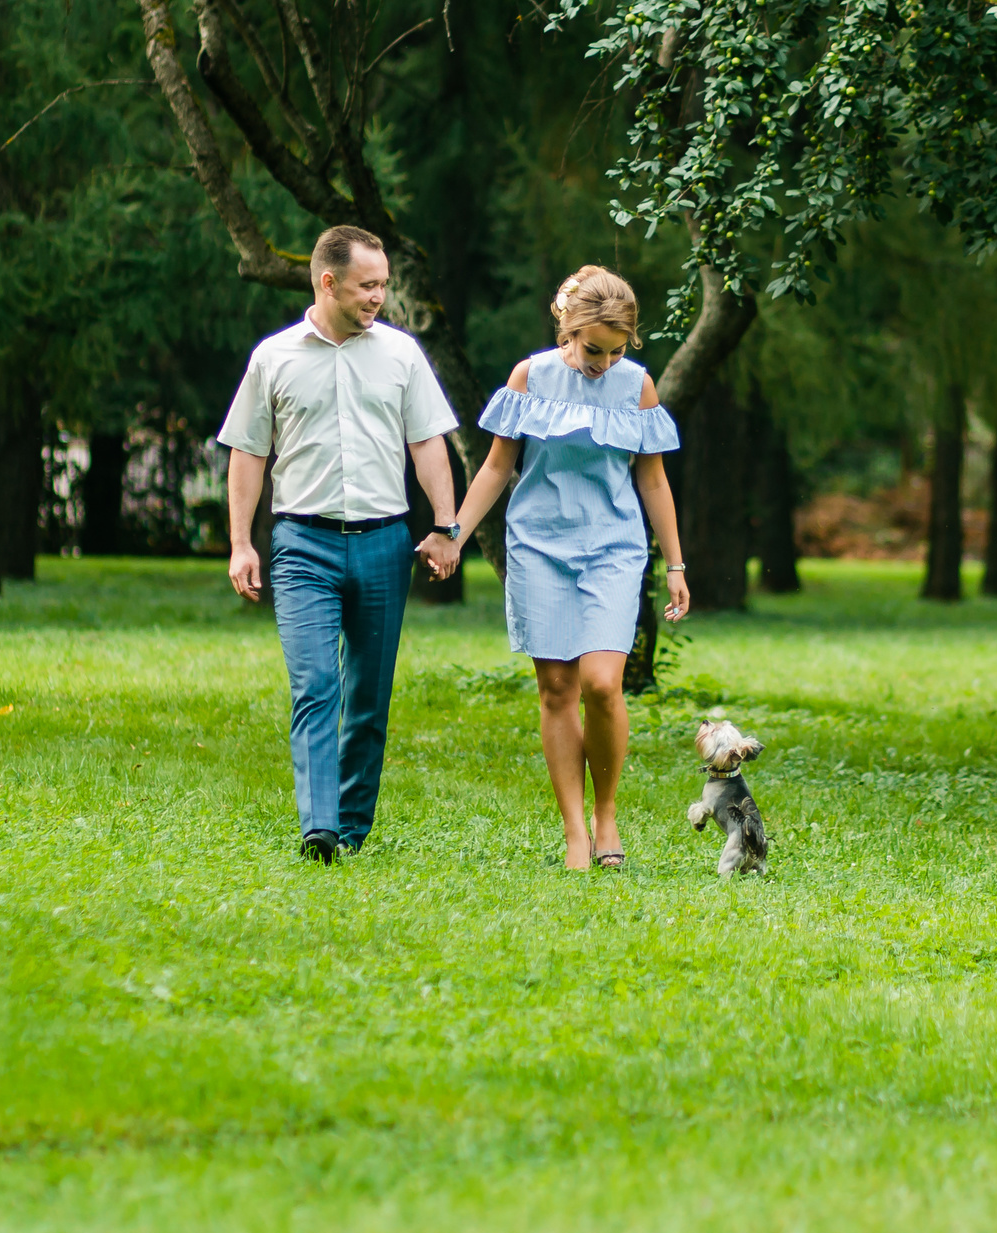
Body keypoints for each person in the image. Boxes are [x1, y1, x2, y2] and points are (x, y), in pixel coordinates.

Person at [421, 266, 688, 871]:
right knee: (557, 689)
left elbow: (652, 478)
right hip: (539, 546)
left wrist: (676, 562)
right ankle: (574, 832)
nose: (603, 362)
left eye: (617, 351)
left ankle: (607, 815)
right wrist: (454, 532)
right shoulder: (531, 376)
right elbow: (495, 467)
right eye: (594, 349)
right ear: (567, 328)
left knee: (602, 683)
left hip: (614, 548)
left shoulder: (636, 386)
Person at [219, 226, 463, 863]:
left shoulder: (402, 355)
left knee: (368, 696)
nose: (380, 296)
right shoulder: (274, 358)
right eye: (368, 285)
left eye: (384, 284)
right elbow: (248, 451)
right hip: (302, 543)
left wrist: (445, 524)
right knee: (316, 684)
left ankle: (351, 828)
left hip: (385, 542)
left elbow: (428, 443)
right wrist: (241, 543)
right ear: (328, 282)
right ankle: (318, 828)